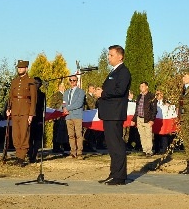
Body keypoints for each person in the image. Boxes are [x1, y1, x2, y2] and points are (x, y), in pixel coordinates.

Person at [95, 45, 132, 186]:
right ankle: (114, 173)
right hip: (109, 112)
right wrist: (101, 91)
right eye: (108, 55)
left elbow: (120, 91)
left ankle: (119, 176)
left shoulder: (123, 72)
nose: (108, 58)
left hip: (115, 113)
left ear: (120, 56)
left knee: (116, 145)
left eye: (111, 55)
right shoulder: (114, 71)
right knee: (111, 145)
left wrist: (103, 94)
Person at [6, 60, 37, 166]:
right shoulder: (14, 81)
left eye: (21, 67)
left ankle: (22, 157)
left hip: (25, 111)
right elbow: (11, 96)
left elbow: (33, 99)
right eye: (18, 67)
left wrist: (31, 114)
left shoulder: (30, 81)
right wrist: (8, 108)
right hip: (15, 110)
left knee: (24, 134)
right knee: (16, 135)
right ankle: (18, 156)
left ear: (26, 68)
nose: (19, 69)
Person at [63, 74, 86, 159]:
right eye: (71, 80)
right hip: (68, 116)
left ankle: (79, 152)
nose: (72, 82)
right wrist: (63, 108)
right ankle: (73, 152)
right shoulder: (66, 92)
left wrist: (67, 108)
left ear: (77, 81)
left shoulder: (81, 92)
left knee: (78, 134)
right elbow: (64, 103)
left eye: (74, 80)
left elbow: (79, 104)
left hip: (77, 116)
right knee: (71, 135)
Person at [131, 81, 156, 157]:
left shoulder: (151, 96)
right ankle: (144, 150)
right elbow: (137, 109)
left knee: (148, 135)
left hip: (147, 119)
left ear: (147, 87)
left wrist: (152, 120)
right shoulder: (139, 96)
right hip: (139, 118)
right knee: (142, 135)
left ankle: (149, 151)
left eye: (142, 86)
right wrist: (134, 119)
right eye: (140, 86)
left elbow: (154, 110)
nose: (141, 88)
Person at [28, 77, 45, 163]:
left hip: (37, 118)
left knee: (36, 138)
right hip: (32, 118)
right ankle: (31, 154)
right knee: (31, 138)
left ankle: (33, 155)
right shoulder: (29, 94)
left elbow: (43, 108)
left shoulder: (42, 95)